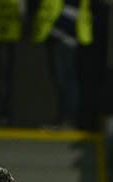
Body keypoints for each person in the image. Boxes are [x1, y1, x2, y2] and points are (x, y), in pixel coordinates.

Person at [33, 0, 93, 129]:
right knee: (60, 78)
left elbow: (71, 12)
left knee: (65, 79)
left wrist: (57, 33)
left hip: (65, 39)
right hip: (55, 36)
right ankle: (64, 117)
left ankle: (67, 118)